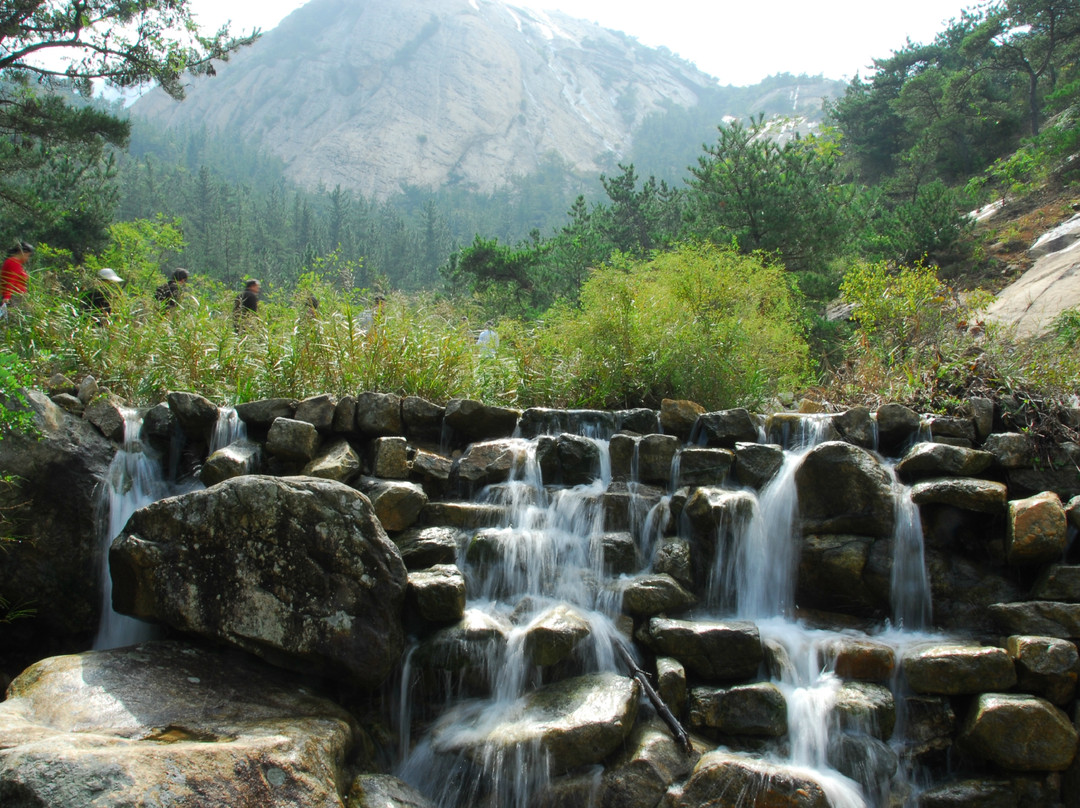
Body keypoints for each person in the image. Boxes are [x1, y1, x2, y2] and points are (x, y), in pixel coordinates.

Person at [1, 242, 34, 319]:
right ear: (22, 252)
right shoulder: (13, 262)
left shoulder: (13, 262)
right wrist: (7, 296)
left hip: (17, 297)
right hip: (14, 298)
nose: (27, 259)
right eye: (27, 255)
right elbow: (10, 280)